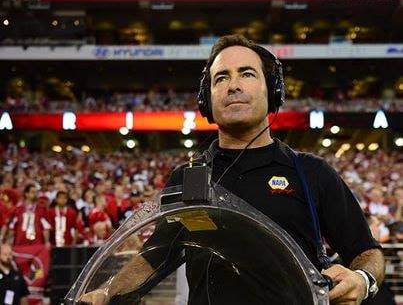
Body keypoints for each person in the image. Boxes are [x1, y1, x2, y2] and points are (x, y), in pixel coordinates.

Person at [80, 34, 385, 305]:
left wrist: (363, 279)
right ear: (207, 99)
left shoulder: (311, 172)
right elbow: (155, 257)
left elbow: (367, 252)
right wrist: (106, 292)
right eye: (221, 78)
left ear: (273, 92)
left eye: (247, 74)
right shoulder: (189, 176)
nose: (233, 85)